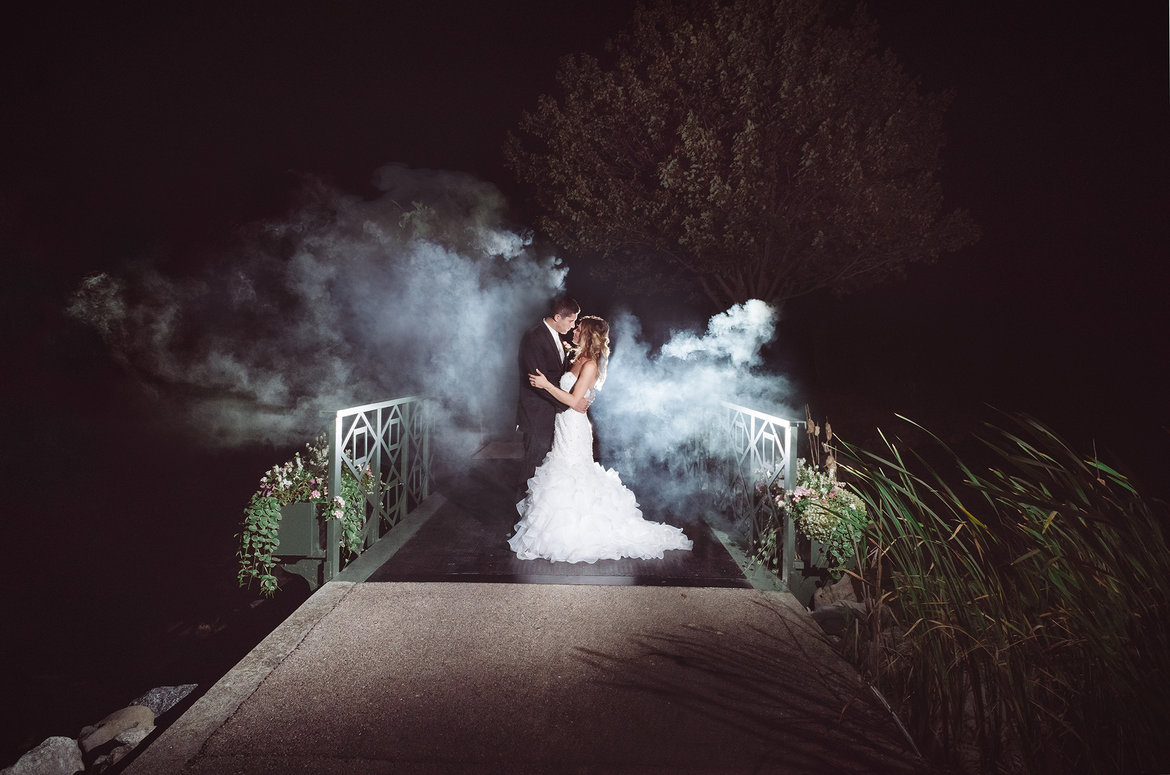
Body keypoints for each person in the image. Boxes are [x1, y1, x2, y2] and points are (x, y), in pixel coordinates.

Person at [509, 315, 693, 563]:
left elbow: (575, 402)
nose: (574, 330)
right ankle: (559, 529)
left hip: (574, 427)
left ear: (587, 334)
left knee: (571, 472)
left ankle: (578, 534)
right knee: (559, 471)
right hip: (562, 424)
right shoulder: (576, 358)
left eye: (578, 328)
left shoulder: (590, 365)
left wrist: (545, 385)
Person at [515, 294, 588, 498]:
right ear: (557, 317)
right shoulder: (534, 337)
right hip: (537, 414)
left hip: (552, 413)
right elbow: (537, 382)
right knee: (532, 469)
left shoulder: (557, 337)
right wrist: (570, 403)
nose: (573, 326)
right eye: (571, 320)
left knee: (545, 469)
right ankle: (519, 524)